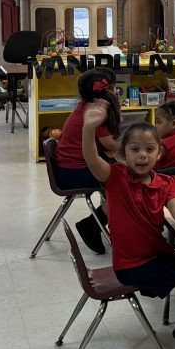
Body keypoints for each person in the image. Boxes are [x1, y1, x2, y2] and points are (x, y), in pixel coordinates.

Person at [81, 103, 175, 349]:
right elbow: (92, 160)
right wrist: (88, 129)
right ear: (121, 155)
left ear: (159, 153)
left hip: (158, 254)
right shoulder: (116, 177)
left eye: (149, 149)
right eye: (135, 149)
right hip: (131, 264)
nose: (142, 155)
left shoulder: (166, 182)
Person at [55, 68, 121, 254]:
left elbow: (108, 145)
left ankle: (99, 221)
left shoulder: (88, 106)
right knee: (125, 181)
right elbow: (111, 144)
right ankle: (91, 225)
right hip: (74, 174)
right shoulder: (97, 111)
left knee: (121, 173)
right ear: (109, 90)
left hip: (69, 170)